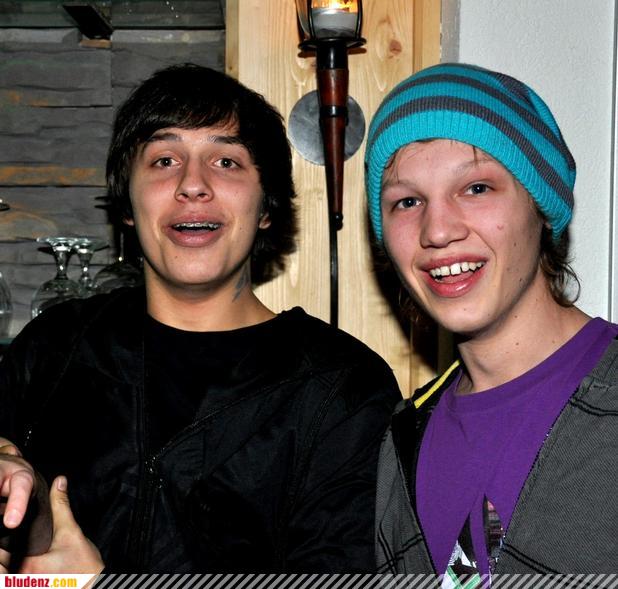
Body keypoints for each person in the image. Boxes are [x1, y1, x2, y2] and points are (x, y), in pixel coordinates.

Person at [0, 63, 401, 573]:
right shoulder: (52, 347)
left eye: (226, 161)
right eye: (164, 160)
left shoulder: (342, 388)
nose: (192, 184)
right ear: (127, 205)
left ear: (266, 206)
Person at [364, 62, 618, 579]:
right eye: (407, 201)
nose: (437, 230)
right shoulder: (403, 439)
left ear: (541, 205)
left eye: (476, 188)